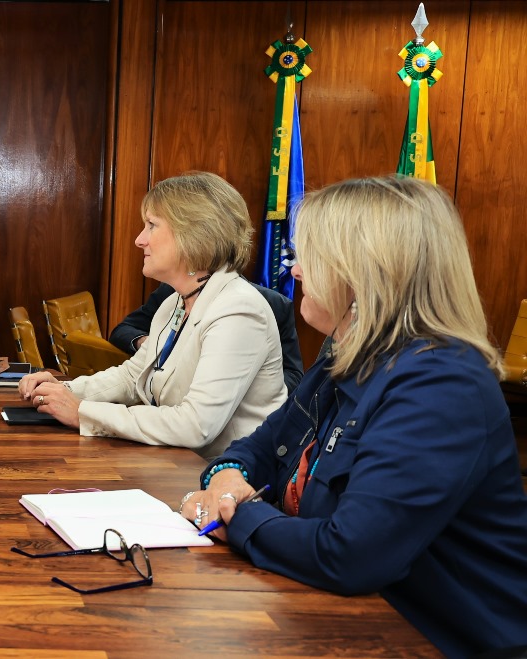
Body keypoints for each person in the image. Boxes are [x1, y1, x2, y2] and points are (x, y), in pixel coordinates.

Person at [181, 177, 527, 656]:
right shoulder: (344, 355)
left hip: (440, 639)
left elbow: (351, 554)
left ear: (364, 273)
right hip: (341, 619)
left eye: (311, 256)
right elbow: (259, 448)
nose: (295, 269)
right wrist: (224, 478)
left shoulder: (442, 385)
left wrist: (235, 515)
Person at [19, 172, 286, 459]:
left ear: (193, 233)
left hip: (228, 475)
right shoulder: (175, 302)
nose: (139, 240)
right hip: (178, 466)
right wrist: (63, 390)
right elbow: (132, 377)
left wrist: (82, 413)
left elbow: (196, 425)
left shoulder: (238, 310)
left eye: (151, 225)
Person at [110, 282, 305, 394]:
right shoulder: (174, 293)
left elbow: (293, 376)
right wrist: (150, 345)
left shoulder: (273, 304)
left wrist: (239, 382)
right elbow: (122, 331)